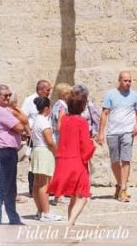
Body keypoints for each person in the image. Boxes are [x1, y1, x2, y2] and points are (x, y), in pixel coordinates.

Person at [48, 90, 97, 226]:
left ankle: (71, 226)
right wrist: (93, 145)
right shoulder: (81, 122)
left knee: (74, 198)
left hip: (63, 161)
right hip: (77, 163)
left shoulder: (65, 120)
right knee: (83, 197)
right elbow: (85, 146)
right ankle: (70, 223)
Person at [97, 71, 137, 202]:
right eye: (125, 81)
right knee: (114, 161)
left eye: (129, 81)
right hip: (113, 132)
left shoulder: (135, 96)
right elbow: (105, 113)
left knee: (126, 159)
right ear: (119, 80)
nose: (128, 83)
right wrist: (101, 133)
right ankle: (119, 184)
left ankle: (123, 189)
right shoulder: (111, 95)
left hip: (128, 131)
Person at [29, 97, 62, 222]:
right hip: (43, 152)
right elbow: (49, 141)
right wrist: (58, 152)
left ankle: (40, 211)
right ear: (47, 108)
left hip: (37, 150)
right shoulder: (44, 122)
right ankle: (46, 212)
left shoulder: (37, 119)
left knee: (37, 184)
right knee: (44, 185)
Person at [0, 84, 25, 225]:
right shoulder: (1, 111)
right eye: (5, 95)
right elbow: (20, 126)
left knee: (3, 185)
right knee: (8, 186)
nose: (8, 97)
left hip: (5, 151)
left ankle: (4, 217)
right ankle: (13, 218)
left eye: (9, 95)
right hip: (6, 151)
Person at [21, 79, 52, 196]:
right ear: (40, 89)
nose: (49, 92)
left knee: (44, 162)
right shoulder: (29, 100)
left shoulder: (46, 101)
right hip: (35, 136)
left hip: (45, 134)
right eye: (48, 90)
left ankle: (44, 187)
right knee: (34, 162)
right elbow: (23, 117)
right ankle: (33, 189)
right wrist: (28, 131)